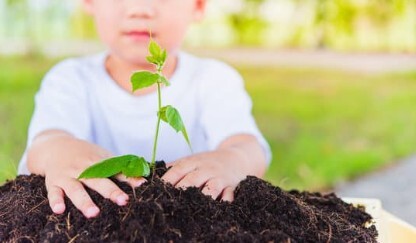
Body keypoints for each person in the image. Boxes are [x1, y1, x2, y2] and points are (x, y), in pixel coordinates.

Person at [19, 0, 271, 219]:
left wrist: (233, 160)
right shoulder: (70, 79)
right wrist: (59, 151)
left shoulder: (214, 79)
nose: (139, 8)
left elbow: (248, 146)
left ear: (198, 4)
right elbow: (44, 142)